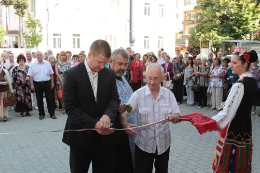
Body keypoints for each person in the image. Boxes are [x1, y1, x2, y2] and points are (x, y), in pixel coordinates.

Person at [62, 40, 120, 173]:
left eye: (105, 62)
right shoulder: (71, 75)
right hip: (80, 139)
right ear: (90, 55)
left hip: (104, 140)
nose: (102, 66)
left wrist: (107, 116)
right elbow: (71, 108)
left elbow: (114, 100)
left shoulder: (108, 74)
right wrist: (95, 124)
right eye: (99, 62)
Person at [200, 50, 258, 172]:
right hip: (246, 123)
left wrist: (209, 122)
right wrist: (227, 103)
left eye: (234, 62)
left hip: (235, 125)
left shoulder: (240, 84)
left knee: (231, 160)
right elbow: (241, 103)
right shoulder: (252, 81)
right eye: (231, 62)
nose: (231, 65)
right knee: (242, 159)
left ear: (245, 64)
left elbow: (227, 112)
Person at [120, 63, 180, 173]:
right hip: (143, 145)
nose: (152, 82)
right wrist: (125, 124)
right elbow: (124, 114)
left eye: (156, 79)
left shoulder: (169, 95)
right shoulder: (137, 95)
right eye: (149, 78)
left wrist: (174, 117)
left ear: (162, 78)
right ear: (145, 77)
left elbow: (177, 116)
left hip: (163, 145)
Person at [109, 48, 135, 173]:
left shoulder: (122, 77)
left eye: (125, 64)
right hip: (116, 129)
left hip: (128, 128)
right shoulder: (106, 79)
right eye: (120, 64)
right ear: (111, 62)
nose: (123, 67)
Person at [27, 51, 56, 120]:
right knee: (39, 99)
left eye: (41, 55)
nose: (40, 56)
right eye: (38, 55)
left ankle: (52, 113)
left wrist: (52, 83)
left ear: (43, 56)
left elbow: (51, 74)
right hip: (37, 83)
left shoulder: (47, 63)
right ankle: (41, 114)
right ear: (36, 56)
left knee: (49, 98)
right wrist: (32, 84)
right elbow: (30, 76)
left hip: (47, 82)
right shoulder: (33, 65)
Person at [0, 57, 13, 122]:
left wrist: (1, 83)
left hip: (3, 91)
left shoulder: (3, 71)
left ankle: (5, 116)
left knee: (4, 104)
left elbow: (7, 82)